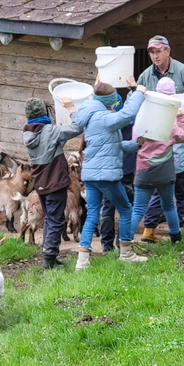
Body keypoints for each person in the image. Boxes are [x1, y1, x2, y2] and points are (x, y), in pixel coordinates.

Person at [74, 81, 147, 271]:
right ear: (109, 100)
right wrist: (138, 92)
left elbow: (115, 146)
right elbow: (128, 113)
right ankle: (126, 253)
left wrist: (136, 144)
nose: (117, 100)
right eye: (114, 98)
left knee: (92, 215)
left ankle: (82, 261)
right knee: (125, 209)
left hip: (90, 174)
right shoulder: (104, 117)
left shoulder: (91, 116)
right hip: (105, 174)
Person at [137, 35, 184, 241]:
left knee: (170, 191)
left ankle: (166, 230)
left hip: (173, 147)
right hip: (158, 147)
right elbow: (135, 103)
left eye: (158, 51)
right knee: (169, 191)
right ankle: (179, 231)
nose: (155, 56)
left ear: (168, 51)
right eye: (151, 52)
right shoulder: (145, 77)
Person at [22, 97, 83, 270]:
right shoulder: (51, 131)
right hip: (55, 181)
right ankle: (49, 259)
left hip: (40, 182)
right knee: (56, 220)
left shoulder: (27, 133)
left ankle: (49, 254)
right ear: (44, 112)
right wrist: (71, 109)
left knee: (50, 218)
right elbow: (77, 127)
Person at [131, 77, 184, 245]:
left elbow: (135, 140)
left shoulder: (143, 115)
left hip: (144, 170)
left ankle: (125, 243)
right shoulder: (170, 122)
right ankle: (176, 239)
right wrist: (181, 117)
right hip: (165, 171)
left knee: (138, 209)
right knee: (169, 206)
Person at [99, 94, 136, 254]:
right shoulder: (129, 121)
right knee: (126, 208)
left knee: (107, 207)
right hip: (126, 169)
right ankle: (122, 242)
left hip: (108, 170)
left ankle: (106, 245)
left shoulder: (104, 122)